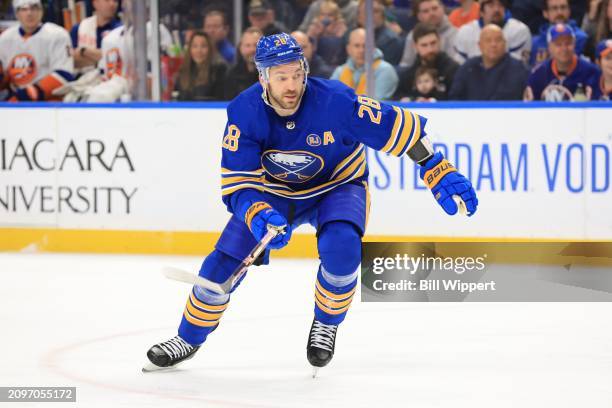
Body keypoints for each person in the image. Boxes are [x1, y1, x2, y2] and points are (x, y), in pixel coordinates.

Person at [144, 32, 478, 373]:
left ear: (304, 70)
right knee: (219, 267)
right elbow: (238, 184)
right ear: (263, 78)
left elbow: (399, 127)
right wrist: (258, 213)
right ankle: (188, 337)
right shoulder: (244, 112)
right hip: (273, 194)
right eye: (280, 77)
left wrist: (434, 165)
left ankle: (326, 323)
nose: (291, 85)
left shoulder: (335, 101)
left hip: (337, 185)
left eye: (296, 74)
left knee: (343, 247)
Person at [0, 0, 74, 101]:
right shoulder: (5, 38)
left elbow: (65, 75)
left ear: (41, 11)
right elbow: (4, 75)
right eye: (24, 9)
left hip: (48, 101)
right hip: (14, 98)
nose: (29, 13)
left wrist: (24, 96)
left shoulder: (58, 35)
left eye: (34, 8)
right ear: (17, 13)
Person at [449, 24, 529, 100]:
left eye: (498, 40)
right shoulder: (467, 68)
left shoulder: (519, 69)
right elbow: (454, 99)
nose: (493, 44)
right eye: (488, 40)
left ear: (505, 44)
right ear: (480, 45)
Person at [524, 23, 600, 101]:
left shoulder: (591, 72)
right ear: (549, 47)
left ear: (574, 44)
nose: (564, 48)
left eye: (568, 43)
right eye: (558, 44)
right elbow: (531, 105)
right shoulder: (538, 74)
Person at [454, 0, 532, 65]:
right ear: (481, 11)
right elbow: (460, 70)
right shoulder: (465, 32)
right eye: (491, 5)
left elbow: (518, 70)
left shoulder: (519, 30)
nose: (496, 9)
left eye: (500, 5)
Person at [394, 23, 459, 100]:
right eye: (424, 45)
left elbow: (458, 100)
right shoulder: (409, 75)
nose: (430, 49)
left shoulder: (453, 70)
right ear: (415, 46)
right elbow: (397, 98)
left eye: (433, 43)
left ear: (439, 42)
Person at [331, 28, 399, 99]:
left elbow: (376, 104)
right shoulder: (340, 71)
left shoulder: (385, 70)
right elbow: (330, 98)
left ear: (373, 48)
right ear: (348, 49)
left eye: (365, 46)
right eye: (357, 46)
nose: (361, 50)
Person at [399, 0, 457, 67]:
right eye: (426, 11)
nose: (432, 13)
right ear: (419, 16)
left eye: (435, 8)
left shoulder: (456, 34)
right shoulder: (412, 35)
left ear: (443, 8)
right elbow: (406, 64)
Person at [530, 0, 588, 67]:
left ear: (569, 11)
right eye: (554, 8)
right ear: (545, 13)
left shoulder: (582, 38)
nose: (559, 12)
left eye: (563, 7)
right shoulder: (534, 43)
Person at [70, 0, 121, 74]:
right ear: (95, 3)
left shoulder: (121, 30)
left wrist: (83, 50)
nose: (112, 4)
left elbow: (117, 59)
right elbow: (71, 61)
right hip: (81, 79)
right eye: (107, 0)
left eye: (115, 1)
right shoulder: (79, 28)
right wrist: (99, 58)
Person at [174, 32, 227, 101]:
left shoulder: (219, 71)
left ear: (210, 49)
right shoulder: (183, 72)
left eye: (203, 46)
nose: (199, 51)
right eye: (195, 46)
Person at [355, 0, 405, 65]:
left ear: (382, 16)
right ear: (359, 17)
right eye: (366, 11)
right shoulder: (351, 36)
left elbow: (385, 71)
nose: (371, 15)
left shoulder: (391, 40)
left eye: (375, 11)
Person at [224, 27, 264, 100]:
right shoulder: (232, 74)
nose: (252, 49)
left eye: (256, 45)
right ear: (241, 48)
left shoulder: (272, 74)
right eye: (248, 45)